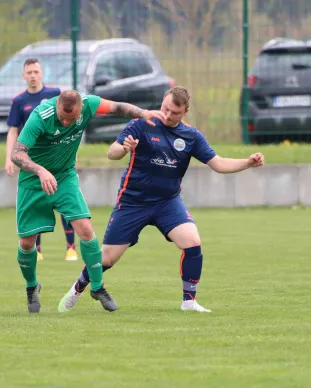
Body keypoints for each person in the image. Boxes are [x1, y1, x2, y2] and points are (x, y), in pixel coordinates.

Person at [57, 86, 265, 314]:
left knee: (192, 241)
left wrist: (247, 162)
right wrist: (125, 148)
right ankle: (77, 289)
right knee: (106, 259)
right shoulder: (143, 123)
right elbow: (112, 152)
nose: (167, 114)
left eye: (174, 112)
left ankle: (189, 302)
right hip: (133, 201)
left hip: (167, 202)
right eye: (165, 108)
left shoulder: (191, 136)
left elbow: (218, 163)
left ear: (185, 112)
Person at [10, 89, 167, 313]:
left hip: (64, 177)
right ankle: (31, 286)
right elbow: (17, 154)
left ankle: (97, 286)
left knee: (85, 229)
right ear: (57, 107)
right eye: (62, 117)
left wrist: (142, 113)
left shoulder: (89, 103)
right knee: (27, 242)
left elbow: (118, 107)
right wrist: (40, 171)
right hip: (33, 181)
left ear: (81, 110)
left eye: (70, 119)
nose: (65, 122)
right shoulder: (40, 116)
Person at [5, 58, 77, 262]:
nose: (33, 75)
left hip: (56, 158)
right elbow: (13, 131)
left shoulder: (55, 94)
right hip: (31, 160)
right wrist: (9, 158)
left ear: (42, 73)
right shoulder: (19, 100)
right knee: (36, 204)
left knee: (64, 201)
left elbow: (68, 123)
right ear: (23, 75)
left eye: (36, 71)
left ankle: (71, 247)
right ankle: (37, 250)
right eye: (29, 72)